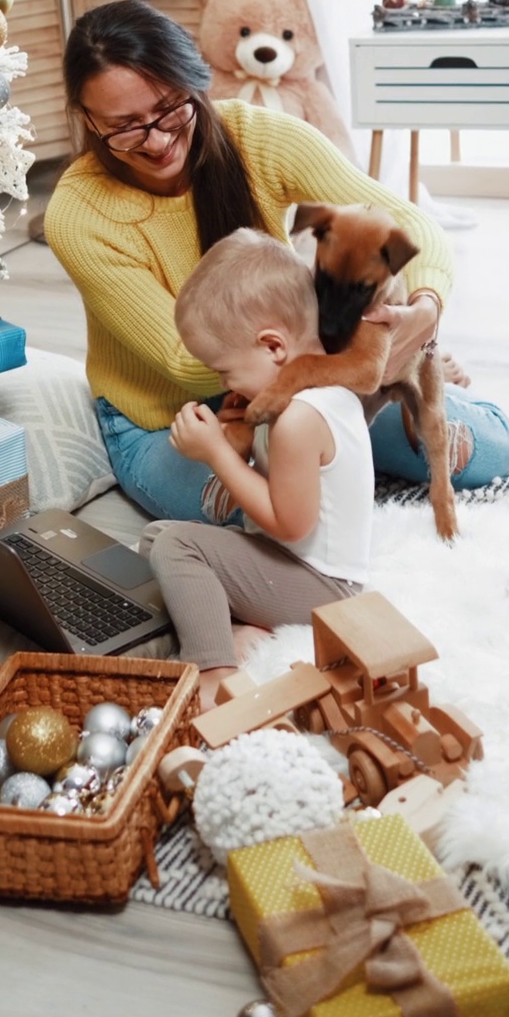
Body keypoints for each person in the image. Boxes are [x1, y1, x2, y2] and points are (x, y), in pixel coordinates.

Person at [44, 0, 509, 524]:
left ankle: (406, 380)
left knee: (488, 451)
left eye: (170, 108)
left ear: (195, 79)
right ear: (87, 119)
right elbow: (183, 359)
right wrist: (351, 366)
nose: (157, 141)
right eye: (125, 126)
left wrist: (424, 309)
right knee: (263, 514)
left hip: (299, 377)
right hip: (176, 413)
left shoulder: (256, 136)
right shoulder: (77, 213)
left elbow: (403, 220)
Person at [138, 228, 373, 710]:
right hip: (292, 565)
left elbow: (290, 522)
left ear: (273, 347)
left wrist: (217, 456)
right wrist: (236, 438)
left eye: (225, 370)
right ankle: (241, 626)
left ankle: (215, 672)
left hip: (324, 589)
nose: (224, 383)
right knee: (158, 536)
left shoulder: (300, 419)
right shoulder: (294, 398)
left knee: (177, 545)